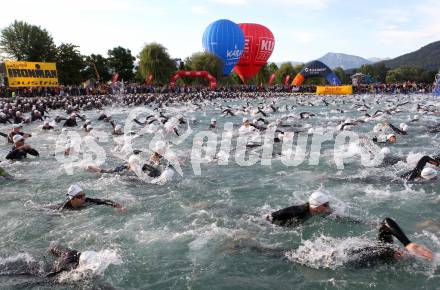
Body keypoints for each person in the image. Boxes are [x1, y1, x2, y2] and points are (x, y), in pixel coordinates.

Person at [347, 217, 433, 267]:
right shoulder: (383, 252)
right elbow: (386, 222)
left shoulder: (384, 250)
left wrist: (408, 244)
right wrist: (408, 244)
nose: (402, 252)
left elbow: (386, 222)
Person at [265, 191, 358, 226]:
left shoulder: (320, 211)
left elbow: (340, 218)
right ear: (316, 207)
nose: (329, 207)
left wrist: (366, 223)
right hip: (277, 224)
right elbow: (270, 217)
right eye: (325, 205)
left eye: (328, 204)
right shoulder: (297, 211)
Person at [56, 185, 125, 211]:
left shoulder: (86, 200)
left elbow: (101, 201)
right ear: (72, 199)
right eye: (80, 196)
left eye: (84, 195)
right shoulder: (63, 208)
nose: (83, 198)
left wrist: (115, 205)